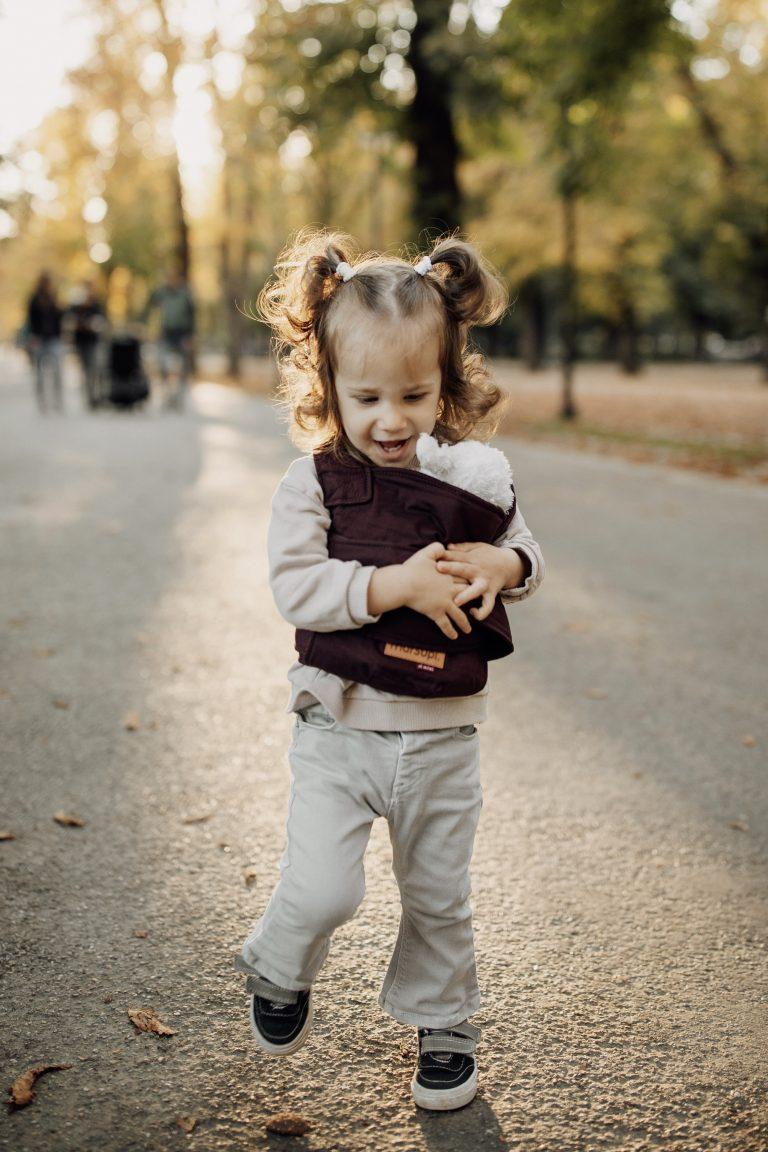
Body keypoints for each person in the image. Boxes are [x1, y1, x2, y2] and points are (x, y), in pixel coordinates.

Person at [235, 230, 545, 1111]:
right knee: (326, 886)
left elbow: (525, 552)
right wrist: (392, 585)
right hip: (340, 725)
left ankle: (445, 1023)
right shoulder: (313, 485)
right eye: (366, 395)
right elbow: (296, 585)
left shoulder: (472, 476)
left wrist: (505, 568)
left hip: (445, 739)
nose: (391, 418)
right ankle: (280, 959)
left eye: (415, 393)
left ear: (447, 383)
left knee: (440, 895)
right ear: (327, 386)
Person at [144, 268, 196, 409]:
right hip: (166, 332)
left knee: (183, 366)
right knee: (162, 363)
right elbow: (149, 305)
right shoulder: (162, 293)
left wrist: (190, 335)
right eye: (168, 278)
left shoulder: (186, 294)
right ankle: (166, 393)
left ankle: (179, 396)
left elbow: (192, 315)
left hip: (182, 333)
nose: (171, 281)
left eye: (174, 278)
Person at [26, 272, 64, 412]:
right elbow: (30, 319)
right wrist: (32, 336)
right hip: (39, 339)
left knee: (57, 371)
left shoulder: (54, 298)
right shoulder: (35, 299)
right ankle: (42, 402)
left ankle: (57, 400)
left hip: (53, 338)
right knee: (40, 374)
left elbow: (60, 317)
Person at [68, 281, 106, 409]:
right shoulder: (76, 306)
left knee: (95, 369)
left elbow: (101, 322)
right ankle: (90, 398)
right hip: (81, 342)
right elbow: (70, 321)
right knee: (86, 371)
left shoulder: (96, 305)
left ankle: (97, 396)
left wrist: (93, 325)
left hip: (94, 341)